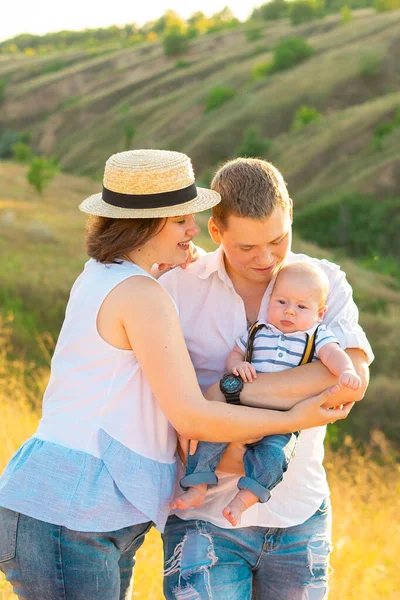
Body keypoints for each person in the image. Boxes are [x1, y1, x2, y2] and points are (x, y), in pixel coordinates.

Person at [0, 150, 348, 600]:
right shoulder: (142, 293)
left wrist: (177, 257)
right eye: (182, 220)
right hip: (71, 513)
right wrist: (296, 419)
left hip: (90, 515)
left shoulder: (107, 275)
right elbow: (193, 417)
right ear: (145, 225)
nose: (193, 230)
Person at [161, 157, 373, 599]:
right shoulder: (178, 288)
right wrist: (296, 401)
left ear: (291, 212)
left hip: (299, 513)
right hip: (204, 518)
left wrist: (224, 393)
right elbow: (173, 409)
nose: (266, 259)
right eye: (247, 248)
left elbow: (351, 376)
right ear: (216, 232)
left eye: (278, 240)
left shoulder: (324, 281)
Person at [173, 261, 362, 527]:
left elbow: (333, 354)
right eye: (282, 302)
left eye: (302, 307)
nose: (290, 312)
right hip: (240, 412)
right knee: (208, 439)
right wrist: (237, 365)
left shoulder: (316, 335)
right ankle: (198, 486)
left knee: (274, 457)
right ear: (270, 301)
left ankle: (243, 500)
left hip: (281, 420)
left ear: (320, 313)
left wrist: (345, 371)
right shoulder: (258, 330)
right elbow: (236, 353)